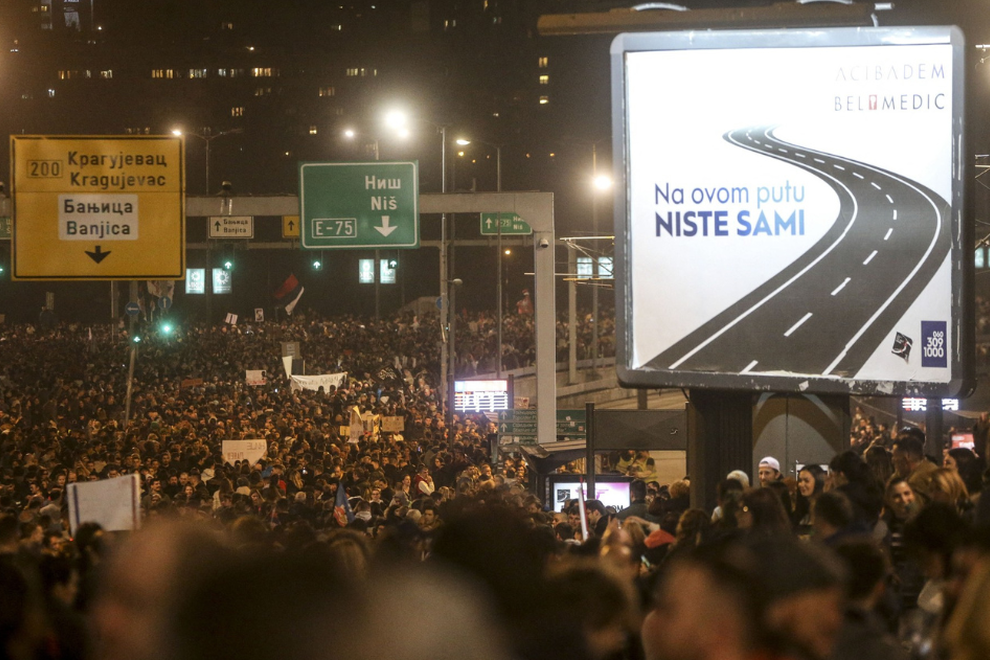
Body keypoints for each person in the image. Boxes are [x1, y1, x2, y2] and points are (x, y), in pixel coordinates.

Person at [891, 433, 938, 503]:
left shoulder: (916, 482)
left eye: (895, 457)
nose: (893, 460)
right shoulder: (929, 466)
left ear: (906, 457)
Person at [792, 464, 826, 536]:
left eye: (806, 481)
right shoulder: (800, 507)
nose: (801, 484)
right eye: (800, 480)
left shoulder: (823, 509)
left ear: (818, 482)